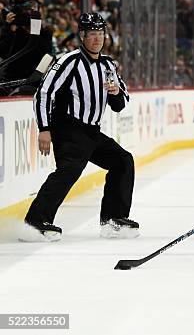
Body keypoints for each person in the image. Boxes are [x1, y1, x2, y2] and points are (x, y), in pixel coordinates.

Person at [20, 12, 138, 242]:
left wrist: (115, 93)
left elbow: (120, 103)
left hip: (91, 132)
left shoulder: (107, 65)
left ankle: (114, 220)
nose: (97, 39)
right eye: (92, 34)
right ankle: (35, 221)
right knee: (69, 170)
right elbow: (44, 94)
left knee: (122, 161)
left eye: (100, 34)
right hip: (68, 128)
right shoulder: (69, 61)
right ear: (82, 36)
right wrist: (44, 128)